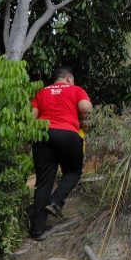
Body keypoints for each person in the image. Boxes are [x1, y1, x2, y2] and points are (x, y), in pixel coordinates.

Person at [27, 66, 93, 241]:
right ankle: (55, 202)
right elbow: (86, 108)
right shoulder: (76, 89)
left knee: (43, 183)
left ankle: (38, 230)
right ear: (69, 79)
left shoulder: (41, 92)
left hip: (41, 135)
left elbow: (31, 118)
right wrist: (85, 122)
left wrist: (28, 142)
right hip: (67, 134)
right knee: (73, 171)